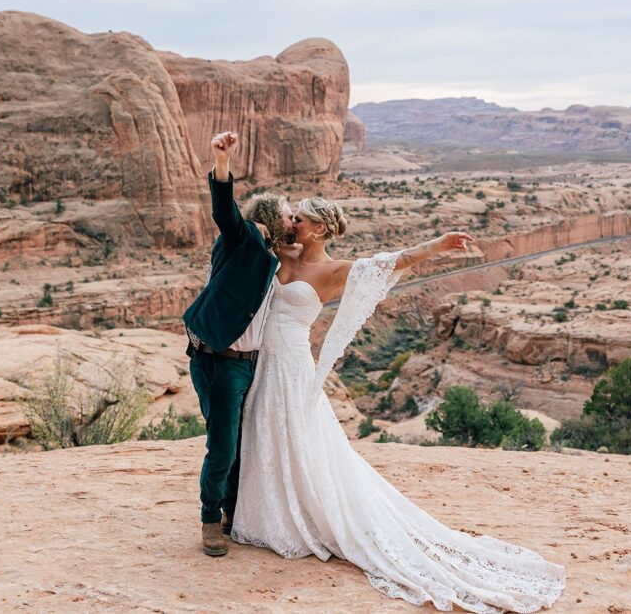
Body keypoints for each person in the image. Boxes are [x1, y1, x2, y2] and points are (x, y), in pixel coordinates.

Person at [229, 195, 567, 613]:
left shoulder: (336, 270)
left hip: (293, 363)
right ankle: (263, 511)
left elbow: (394, 261)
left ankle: (308, 515)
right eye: (291, 216)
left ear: (318, 229)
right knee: (265, 428)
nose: (291, 222)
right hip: (265, 362)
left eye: (299, 218)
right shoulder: (279, 250)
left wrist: (439, 245)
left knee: (298, 434)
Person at [181, 130, 294, 557]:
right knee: (224, 445)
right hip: (220, 360)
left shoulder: (270, 254)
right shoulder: (244, 237)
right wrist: (221, 160)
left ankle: (233, 513)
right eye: (287, 215)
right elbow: (224, 210)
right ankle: (211, 521)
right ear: (267, 216)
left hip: (249, 364)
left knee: (240, 443)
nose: (292, 220)